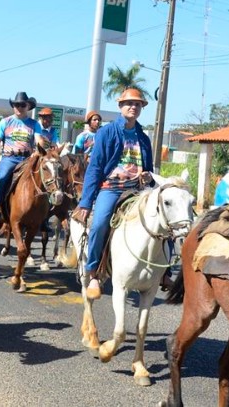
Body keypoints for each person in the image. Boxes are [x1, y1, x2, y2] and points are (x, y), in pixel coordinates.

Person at [71, 88, 154, 300]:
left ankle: (164, 274)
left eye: (137, 104)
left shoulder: (144, 138)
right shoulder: (106, 132)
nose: (133, 107)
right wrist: (86, 202)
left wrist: (148, 176)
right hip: (111, 187)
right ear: (120, 106)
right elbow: (95, 167)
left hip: (137, 190)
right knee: (99, 224)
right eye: (129, 103)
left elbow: (150, 169)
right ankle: (93, 272)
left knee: (163, 218)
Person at [0, 92, 43, 233]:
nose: (19, 107)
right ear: (13, 106)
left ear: (28, 106)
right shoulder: (5, 122)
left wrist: (39, 149)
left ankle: (43, 218)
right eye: (16, 105)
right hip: (9, 158)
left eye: (22, 105)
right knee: (1, 178)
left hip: (27, 159)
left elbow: (39, 140)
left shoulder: (34, 124)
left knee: (44, 180)